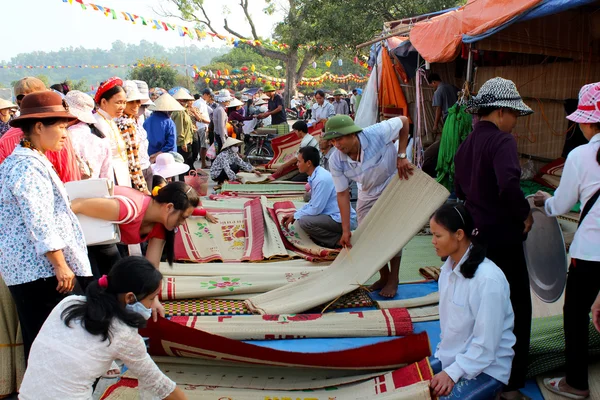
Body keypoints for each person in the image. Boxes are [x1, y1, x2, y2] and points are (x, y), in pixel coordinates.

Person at [454, 77, 534, 400]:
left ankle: (479, 374)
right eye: (514, 114)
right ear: (501, 112)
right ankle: (511, 387)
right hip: (504, 240)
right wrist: (524, 214)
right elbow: (509, 187)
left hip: (476, 241)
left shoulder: (465, 145)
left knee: (480, 310)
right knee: (515, 310)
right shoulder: (503, 142)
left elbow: (460, 191)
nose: (515, 122)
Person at [0, 91, 92, 360]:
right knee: (51, 346)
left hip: (36, 269)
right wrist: (60, 265)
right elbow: (39, 220)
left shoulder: (32, 160)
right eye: (61, 127)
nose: (66, 134)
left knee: (46, 342)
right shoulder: (27, 166)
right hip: (39, 271)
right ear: (39, 127)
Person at [19, 257, 188, 400]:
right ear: (130, 297)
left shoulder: (69, 303)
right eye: (151, 299)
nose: (151, 306)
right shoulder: (122, 334)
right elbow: (158, 383)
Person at [533, 82, 600, 400]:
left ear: (587, 122)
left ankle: (577, 383)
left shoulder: (581, 156)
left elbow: (560, 206)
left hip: (589, 253)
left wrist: (544, 201)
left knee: (575, 315)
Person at [429, 204, 516, 400]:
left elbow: (486, 346)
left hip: (489, 368)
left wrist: (452, 373)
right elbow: (449, 327)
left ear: (459, 235)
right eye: (432, 235)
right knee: (407, 385)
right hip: (452, 358)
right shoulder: (447, 270)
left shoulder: (487, 279)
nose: (433, 241)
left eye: (438, 235)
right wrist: (447, 364)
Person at [325, 114, 412, 298]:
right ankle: (384, 276)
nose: (337, 145)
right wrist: (346, 230)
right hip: (366, 190)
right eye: (332, 141)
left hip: (392, 182)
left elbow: (404, 121)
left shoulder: (376, 133)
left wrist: (402, 154)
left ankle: (394, 278)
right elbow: (342, 194)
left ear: (352, 134)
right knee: (368, 235)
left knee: (392, 233)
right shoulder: (335, 160)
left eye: (339, 139)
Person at [0, 77, 81, 182]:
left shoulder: (6, 139)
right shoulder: (57, 136)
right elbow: (71, 179)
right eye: (62, 126)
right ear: (39, 127)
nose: (64, 133)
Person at [282, 147, 357, 249]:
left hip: (341, 219)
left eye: (299, 161)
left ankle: (337, 240)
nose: (297, 164)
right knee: (302, 217)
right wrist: (295, 213)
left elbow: (316, 209)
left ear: (308, 163)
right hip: (333, 215)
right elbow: (313, 203)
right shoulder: (317, 175)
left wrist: (296, 215)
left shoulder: (321, 179)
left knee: (304, 221)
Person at [65, 90, 112, 180]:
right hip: (97, 191)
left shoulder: (65, 137)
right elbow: (107, 178)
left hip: (71, 190)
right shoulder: (102, 139)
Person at [93, 77, 131, 187]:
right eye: (118, 102)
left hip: (121, 172)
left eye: (124, 103)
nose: (122, 107)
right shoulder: (97, 122)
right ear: (104, 102)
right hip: (110, 176)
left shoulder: (110, 120)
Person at [116, 81, 150, 193]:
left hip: (144, 168)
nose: (136, 105)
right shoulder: (125, 124)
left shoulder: (132, 119)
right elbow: (132, 159)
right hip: (138, 175)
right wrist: (142, 187)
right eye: (131, 102)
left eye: (137, 101)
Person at [144, 93, 183, 163]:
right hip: (166, 158)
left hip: (150, 156)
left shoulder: (147, 121)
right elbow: (171, 144)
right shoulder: (169, 123)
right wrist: (158, 154)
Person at [132, 80, 154, 189]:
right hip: (136, 172)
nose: (140, 108)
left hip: (146, 166)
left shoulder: (141, 119)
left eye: (143, 106)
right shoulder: (122, 124)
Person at [171, 88, 196, 179]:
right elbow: (179, 128)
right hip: (183, 142)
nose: (186, 102)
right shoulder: (179, 112)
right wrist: (183, 142)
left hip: (187, 140)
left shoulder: (184, 110)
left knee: (187, 163)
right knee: (184, 165)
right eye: (184, 101)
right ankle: (183, 182)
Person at [192, 88, 212, 168]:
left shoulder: (202, 103)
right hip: (201, 126)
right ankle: (203, 164)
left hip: (203, 126)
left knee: (203, 146)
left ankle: (203, 163)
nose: (210, 98)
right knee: (203, 146)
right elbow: (197, 117)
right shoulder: (199, 103)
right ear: (206, 95)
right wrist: (207, 122)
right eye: (209, 96)